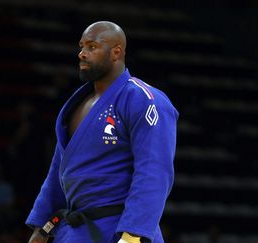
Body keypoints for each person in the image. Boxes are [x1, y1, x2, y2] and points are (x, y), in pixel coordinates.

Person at [26, 21, 179, 243]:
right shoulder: (77, 103)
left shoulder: (143, 99)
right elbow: (60, 171)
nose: (82, 54)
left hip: (116, 229)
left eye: (92, 47)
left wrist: (132, 237)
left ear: (116, 52)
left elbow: (154, 171)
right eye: (81, 47)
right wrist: (42, 227)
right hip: (73, 231)